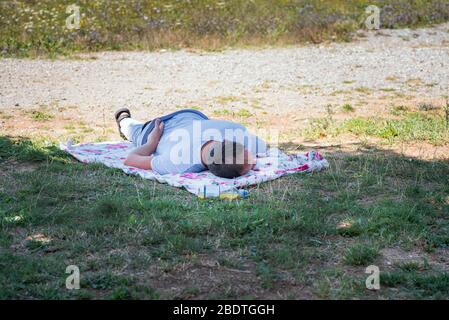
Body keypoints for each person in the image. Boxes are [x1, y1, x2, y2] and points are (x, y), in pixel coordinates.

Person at [114, 108, 267, 178]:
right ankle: (125, 121)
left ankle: (124, 119)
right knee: (133, 131)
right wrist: (152, 143)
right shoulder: (178, 161)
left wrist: (152, 141)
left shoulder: (235, 133)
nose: (254, 161)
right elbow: (130, 160)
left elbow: (131, 159)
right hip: (166, 127)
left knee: (135, 129)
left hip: (186, 116)